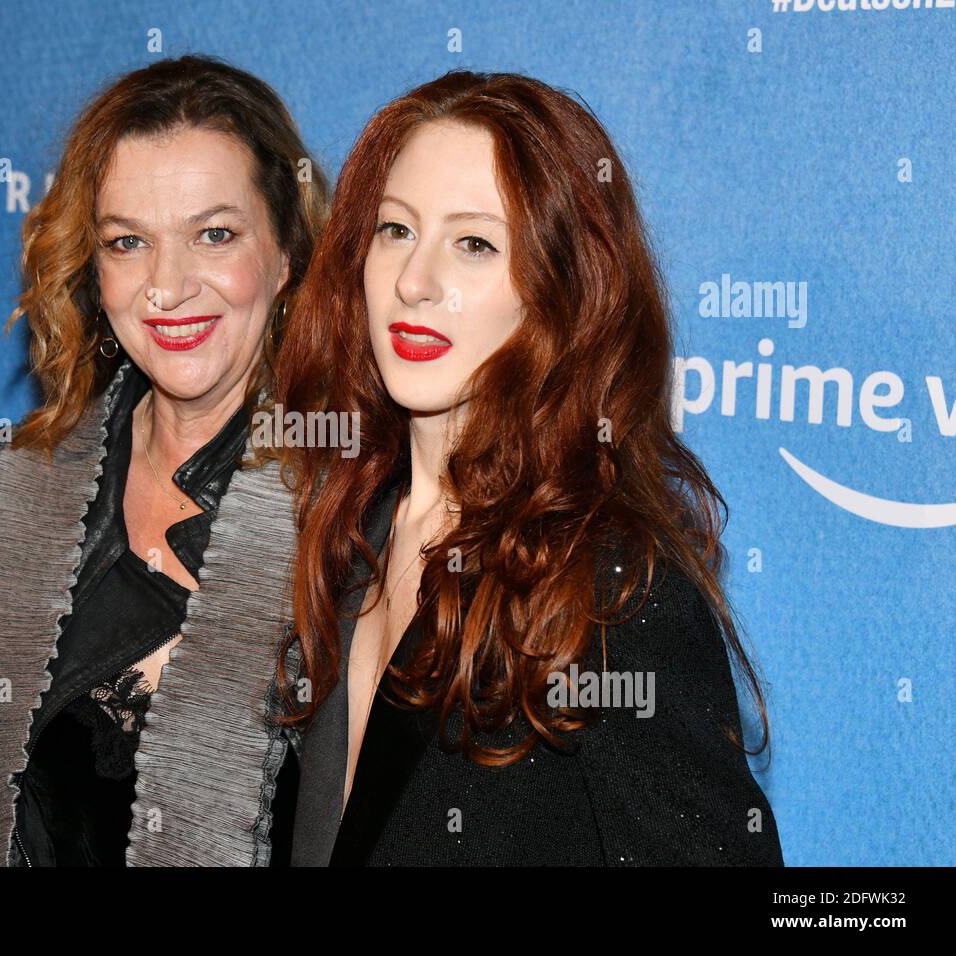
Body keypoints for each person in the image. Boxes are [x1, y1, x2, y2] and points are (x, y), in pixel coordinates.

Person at [272, 70, 783, 866]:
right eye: (395, 230)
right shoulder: (348, 527)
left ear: (560, 290)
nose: (414, 281)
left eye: (474, 244)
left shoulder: (608, 589)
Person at [0, 55, 327, 866]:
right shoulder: (27, 480)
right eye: (128, 242)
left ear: (286, 253)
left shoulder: (348, 509)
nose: (167, 286)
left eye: (214, 235)